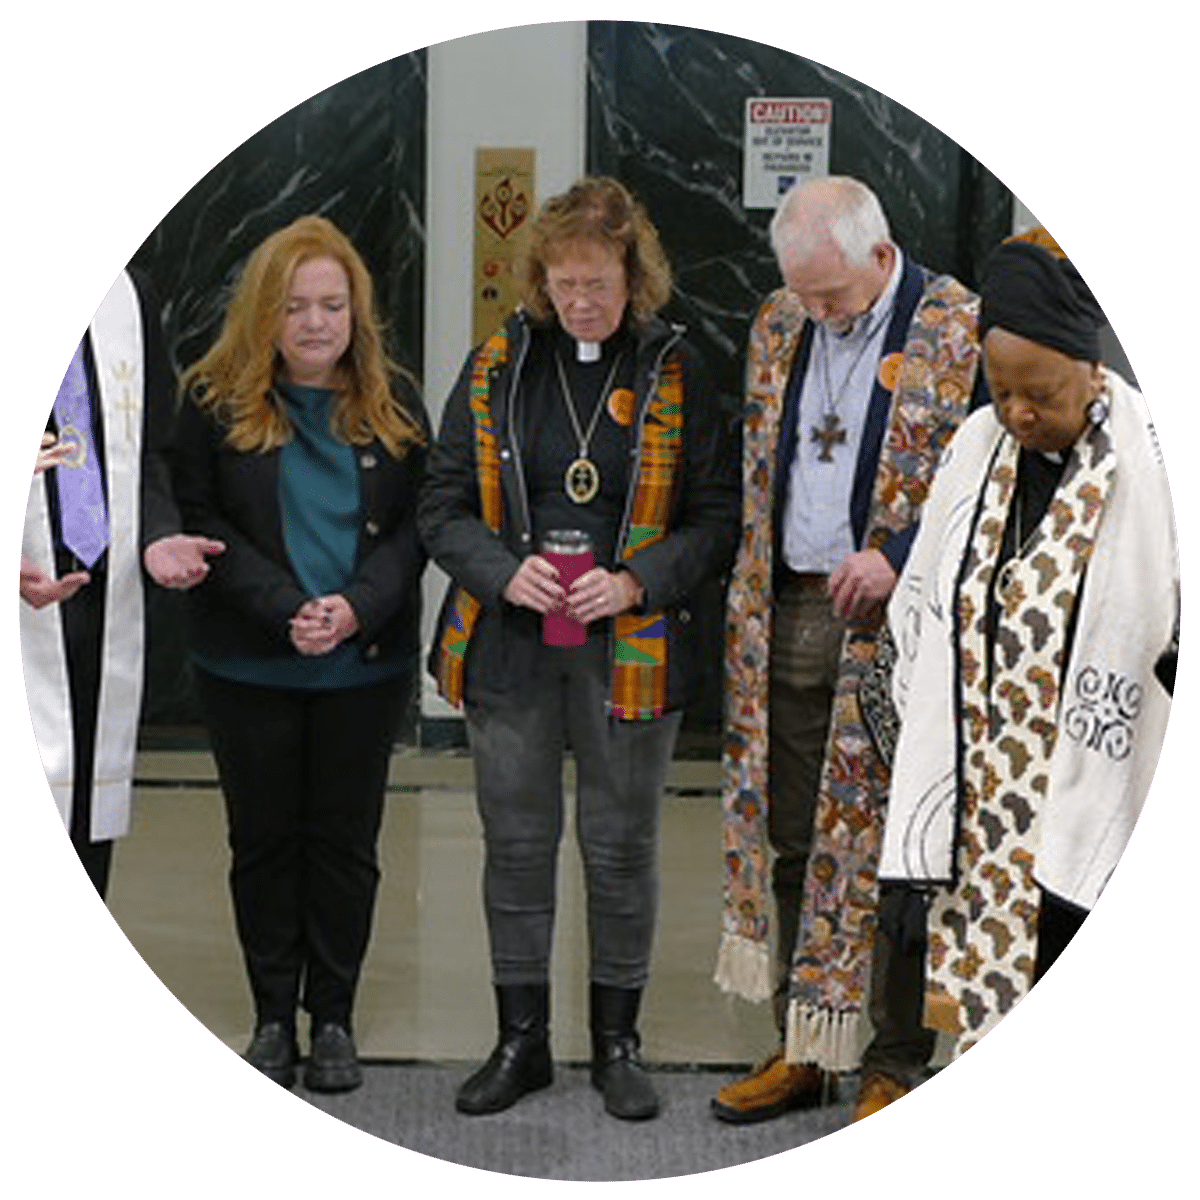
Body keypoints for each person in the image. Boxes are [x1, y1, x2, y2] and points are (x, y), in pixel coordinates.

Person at [419, 176, 740, 1121]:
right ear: (539, 278)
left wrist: (638, 580)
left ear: (634, 274)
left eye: (597, 282)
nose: (580, 301)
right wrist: (497, 568)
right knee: (515, 847)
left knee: (621, 848)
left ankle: (617, 1046)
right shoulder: (496, 366)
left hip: (630, 646)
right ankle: (519, 1042)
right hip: (512, 644)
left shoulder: (680, 371)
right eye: (563, 282)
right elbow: (439, 502)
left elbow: (719, 517)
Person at [713, 176, 984, 1124]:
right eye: (801, 295)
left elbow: (985, 489)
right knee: (796, 837)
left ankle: (893, 1059)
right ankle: (806, 1045)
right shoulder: (781, 322)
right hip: (789, 606)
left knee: (893, 847)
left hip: (902, 626)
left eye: (830, 295)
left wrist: (898, 555)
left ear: (880, 254)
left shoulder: (957, 330)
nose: (817, 314)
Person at [876, 231, 1177, 1069]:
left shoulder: (1150, 462)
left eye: (1040, 393)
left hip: (1105, 800)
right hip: (984, 824)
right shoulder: (976, 450)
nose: (1019, 413)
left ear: (1092, 368)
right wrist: (913, 846)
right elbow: (923, 624)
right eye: (1002, 390)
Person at [172, 215, 427, 1093]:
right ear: (262, 315)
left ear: (356, 312)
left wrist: (355, 608)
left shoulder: (395, 404)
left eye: (333, 304)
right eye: (295, 307)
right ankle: (274, 1016)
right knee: (265, 844)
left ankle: (336, 1020)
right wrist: (287, 608)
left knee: (346, 847)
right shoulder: (210, 401)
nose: (316, 323)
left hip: (363, 666)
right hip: (249, 665)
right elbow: (200, 519)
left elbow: (414, 532)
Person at [19, 266, 224, 901]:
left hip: (99, 591)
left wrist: (158, 533)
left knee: (82, 812)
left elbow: (149, 449)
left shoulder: (127, 293)